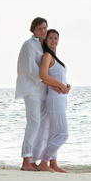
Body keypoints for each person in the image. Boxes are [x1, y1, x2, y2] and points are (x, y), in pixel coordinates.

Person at [16, 17, 51, 171]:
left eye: (44, 28)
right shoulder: (29, 45)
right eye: (39, 29)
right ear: (33, 30)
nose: (43, 31)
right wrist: (51, 82)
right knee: (33, 123)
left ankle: (33, 159)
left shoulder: (44, 47)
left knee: (42, 125)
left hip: (43, 90)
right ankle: (25, 161)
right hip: (31, 90)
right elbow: (32, 71)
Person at [37, 29, 70, 172]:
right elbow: (43, 76)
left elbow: (57, 77)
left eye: (56, 38)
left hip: (61, 98)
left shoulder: (55, 58)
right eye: (50, 38)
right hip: (54, 99)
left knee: (54, 132)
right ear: (45, 40)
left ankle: (53, 163)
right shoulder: (47, 56)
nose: (53, 41)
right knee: (62, 134)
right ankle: (43, 163)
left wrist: (65, 85)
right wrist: (61, 85)